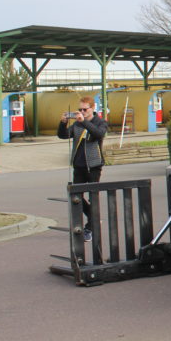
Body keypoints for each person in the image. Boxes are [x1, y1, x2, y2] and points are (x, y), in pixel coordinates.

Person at [57, 96, 108, 241]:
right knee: (77, 196)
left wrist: (84, 122)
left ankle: (89, 228)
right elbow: (63, 135)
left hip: (93, 165)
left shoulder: (100, 122)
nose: (82, 112)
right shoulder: (77, 124)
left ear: (93, 108)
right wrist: (63, 123)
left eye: (85, 109)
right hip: (79, 165)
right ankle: (94, 218)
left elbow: (99, 134)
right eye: (79, 109)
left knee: (93, 197)